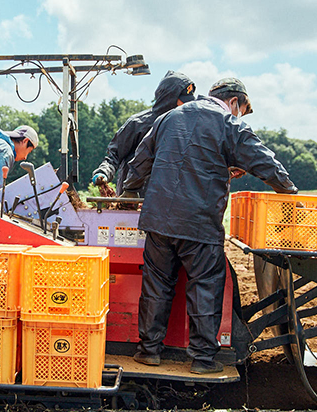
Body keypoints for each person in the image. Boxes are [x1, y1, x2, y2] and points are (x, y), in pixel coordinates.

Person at [122, 77, 297, 374]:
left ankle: (148, 351)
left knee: (157, 284)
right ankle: (203, 359)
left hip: (159, 221)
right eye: (241, 108)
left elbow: (141, 162)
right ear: (234, 101)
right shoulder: (230, 124)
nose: (240, 114)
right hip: (199, 223)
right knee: (205, 285)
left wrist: (128, 188)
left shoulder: (168, 118)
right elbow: (263, 161)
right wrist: (289, 191)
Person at [91, 71, 196, 195]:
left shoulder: (187, 129)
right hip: (133, 197)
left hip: (168, 200)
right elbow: (114, 154)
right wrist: (104, 172)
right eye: (183, 101)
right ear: (169, 98)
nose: (185, 106)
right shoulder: (138, 123)